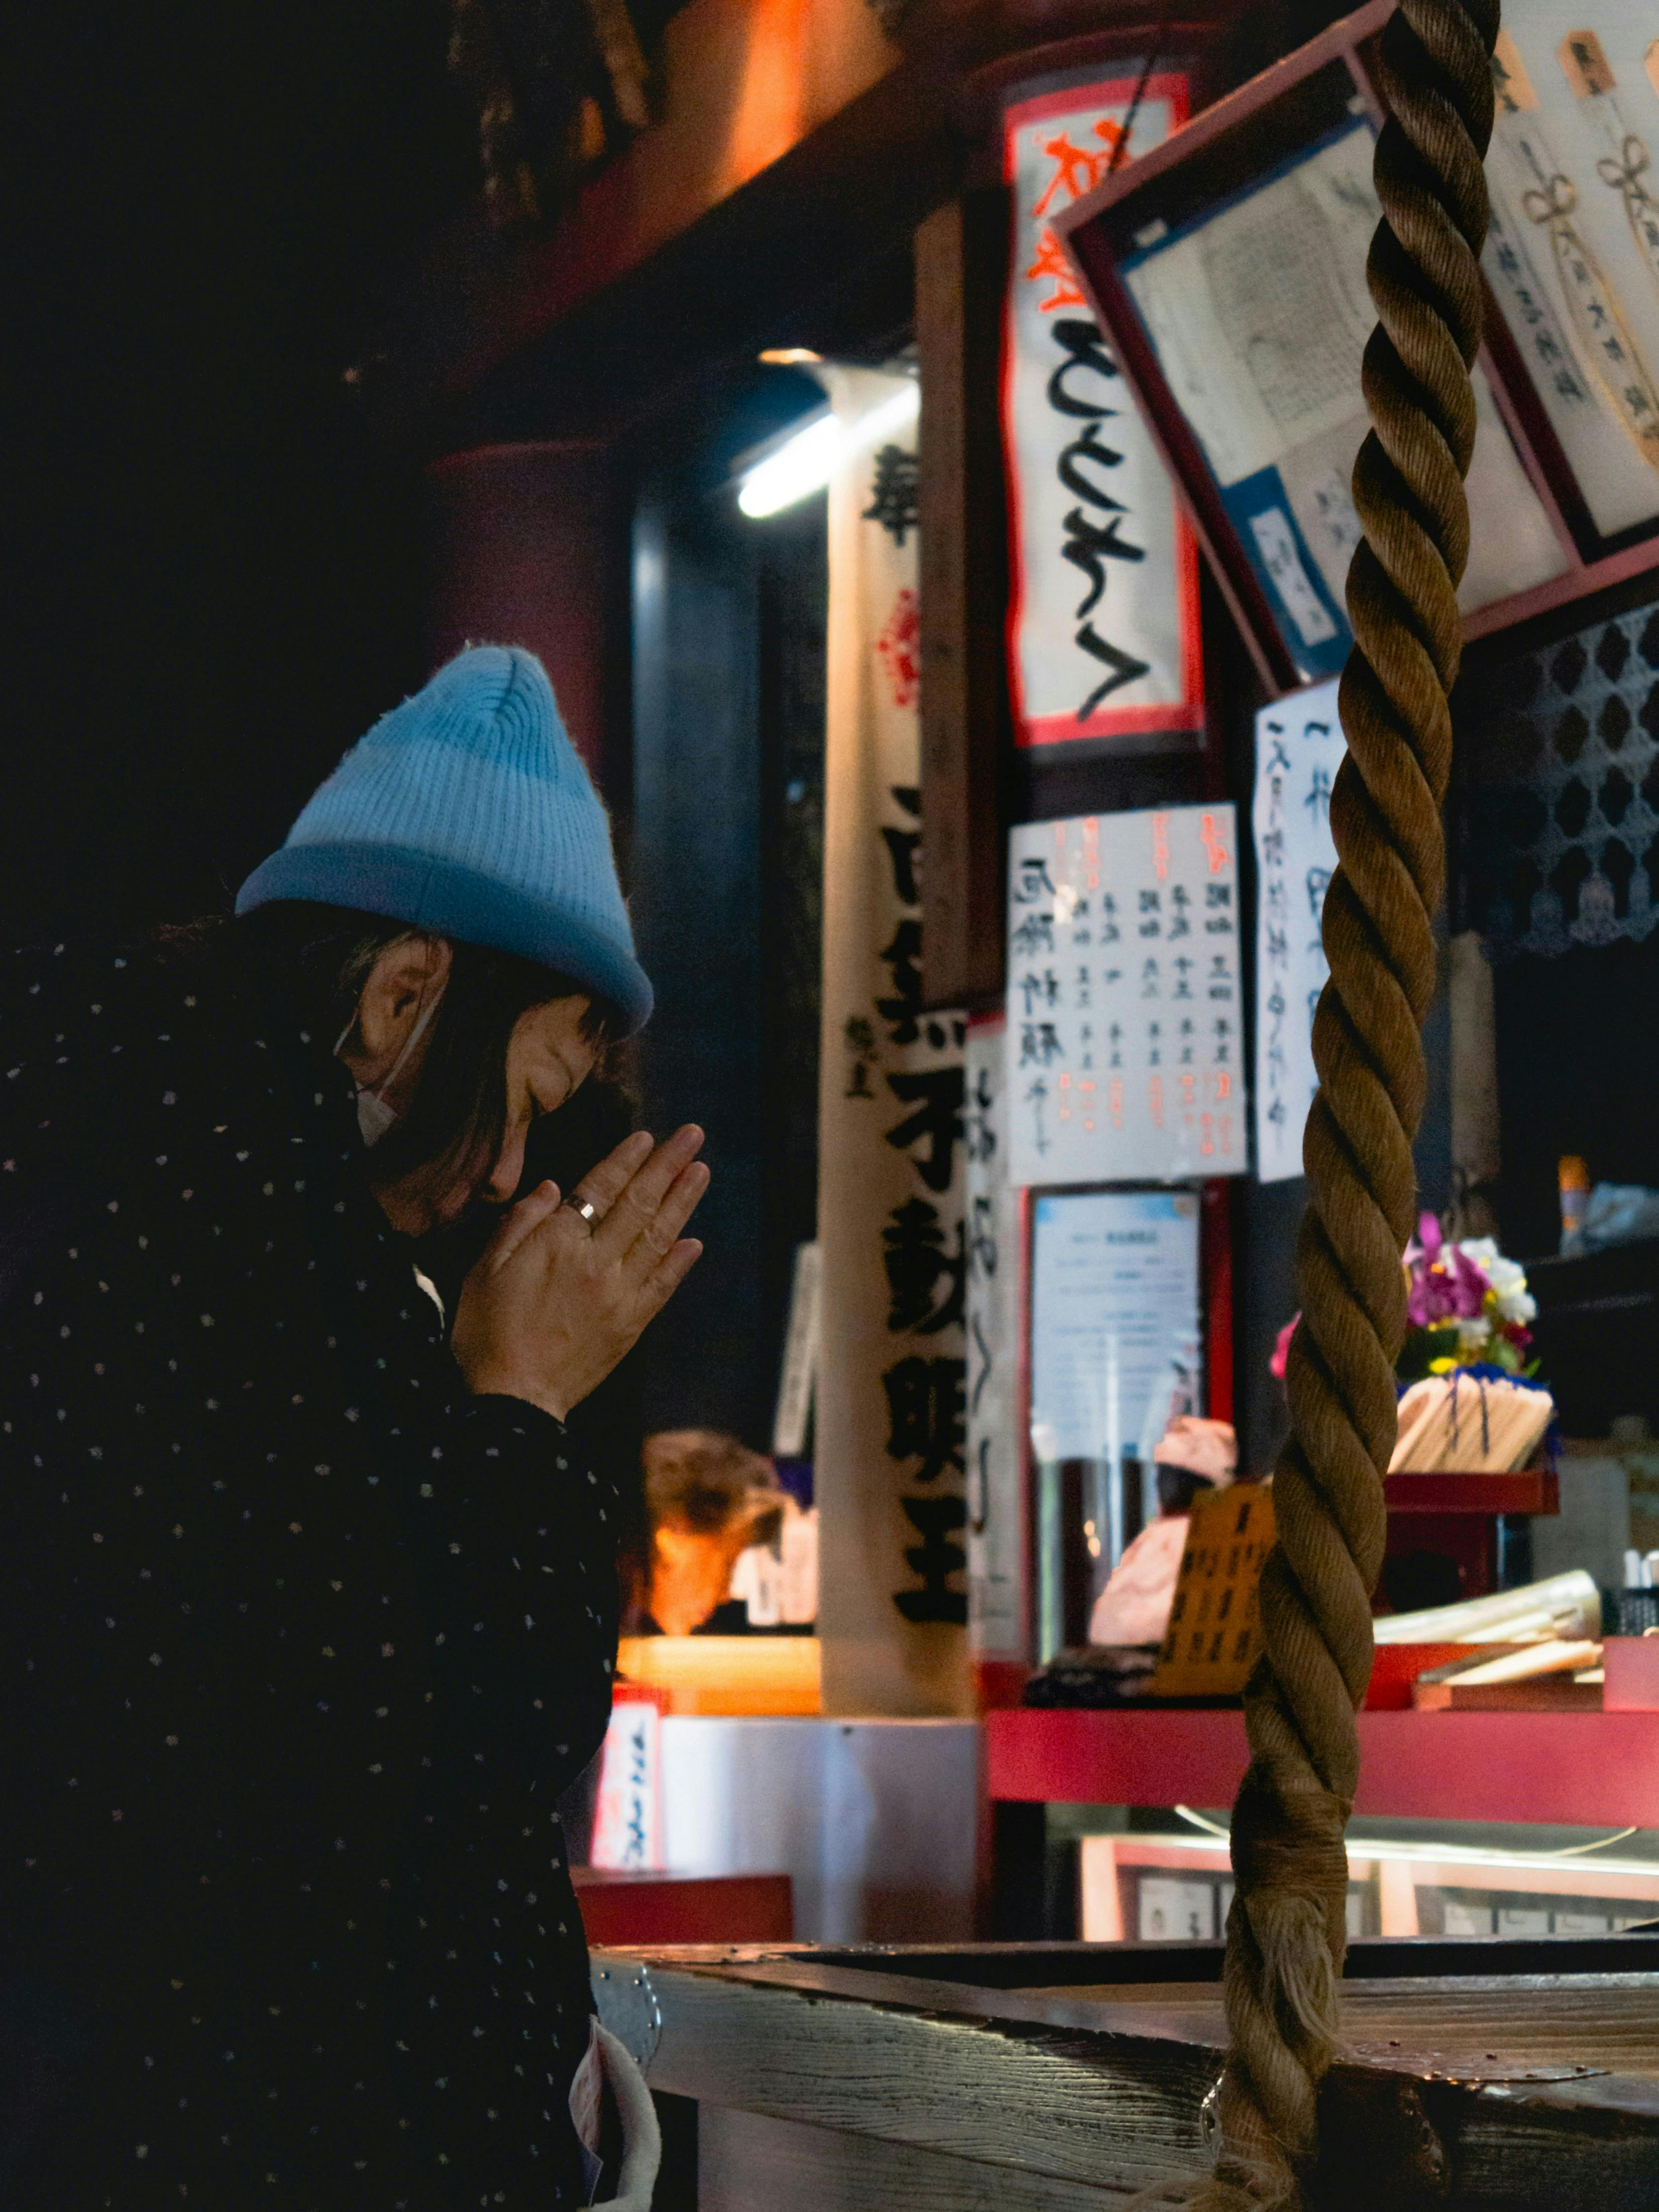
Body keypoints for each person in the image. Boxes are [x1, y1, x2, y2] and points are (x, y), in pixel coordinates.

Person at [0, 645, 705, 2208]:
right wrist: (515, 1410)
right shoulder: (219, 1211)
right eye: (525, 1096)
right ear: (404, 993)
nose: (510, 1170)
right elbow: (386, 1751)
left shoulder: (122, 1122)